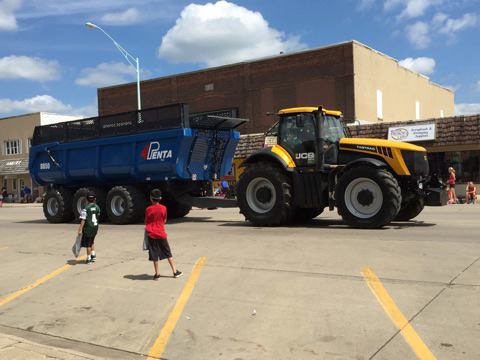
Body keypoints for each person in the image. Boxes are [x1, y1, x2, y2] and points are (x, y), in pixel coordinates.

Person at [145, 189, 182, 280]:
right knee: (168, 253)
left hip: (151, 234)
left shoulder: (148, 209)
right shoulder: (164, 208)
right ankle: (174, 272)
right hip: (161, 234)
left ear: (151, 198)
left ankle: (157, 274)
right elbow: (164, 220)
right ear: (160, 198)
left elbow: (146, 222)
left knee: (154, 254)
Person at [77, 192, 100, 264]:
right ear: (95, 199)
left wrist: (80, 229)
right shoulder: (97, 207)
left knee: (88, 244)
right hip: (95, 227)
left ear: (86, 200)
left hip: (88, 228)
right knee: (92, 240)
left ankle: (89, 258)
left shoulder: (85, 209)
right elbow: (98, 215)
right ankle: (93, 255)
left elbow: (83, 220)